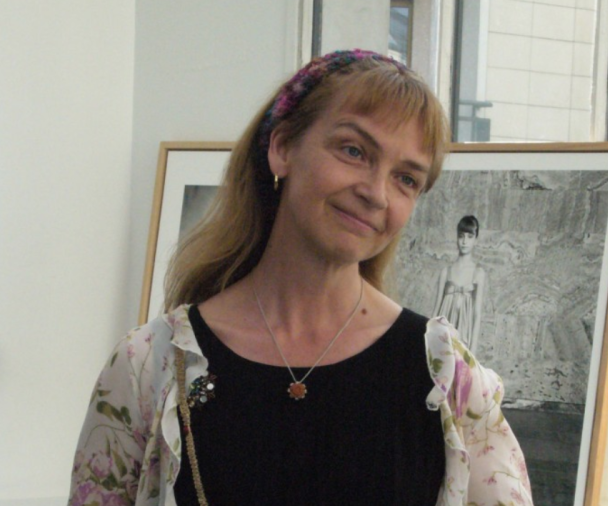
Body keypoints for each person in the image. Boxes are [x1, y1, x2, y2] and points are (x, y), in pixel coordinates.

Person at [68, 50, 532, 506]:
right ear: (283, 147)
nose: (376, 194)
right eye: (354, 151)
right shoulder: (148, 367)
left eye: (406, 179)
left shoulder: (446, 376)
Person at [433, 215, 486, 354]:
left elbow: (477, 315)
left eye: (469, 237)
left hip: (464, 336)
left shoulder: (478, 273)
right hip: (443, 335)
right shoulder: (446, 272)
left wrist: (472, 350)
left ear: (476, 240)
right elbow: (436, 310)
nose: (464, 241)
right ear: (457, 238)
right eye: (461, 236)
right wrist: (429, 340)